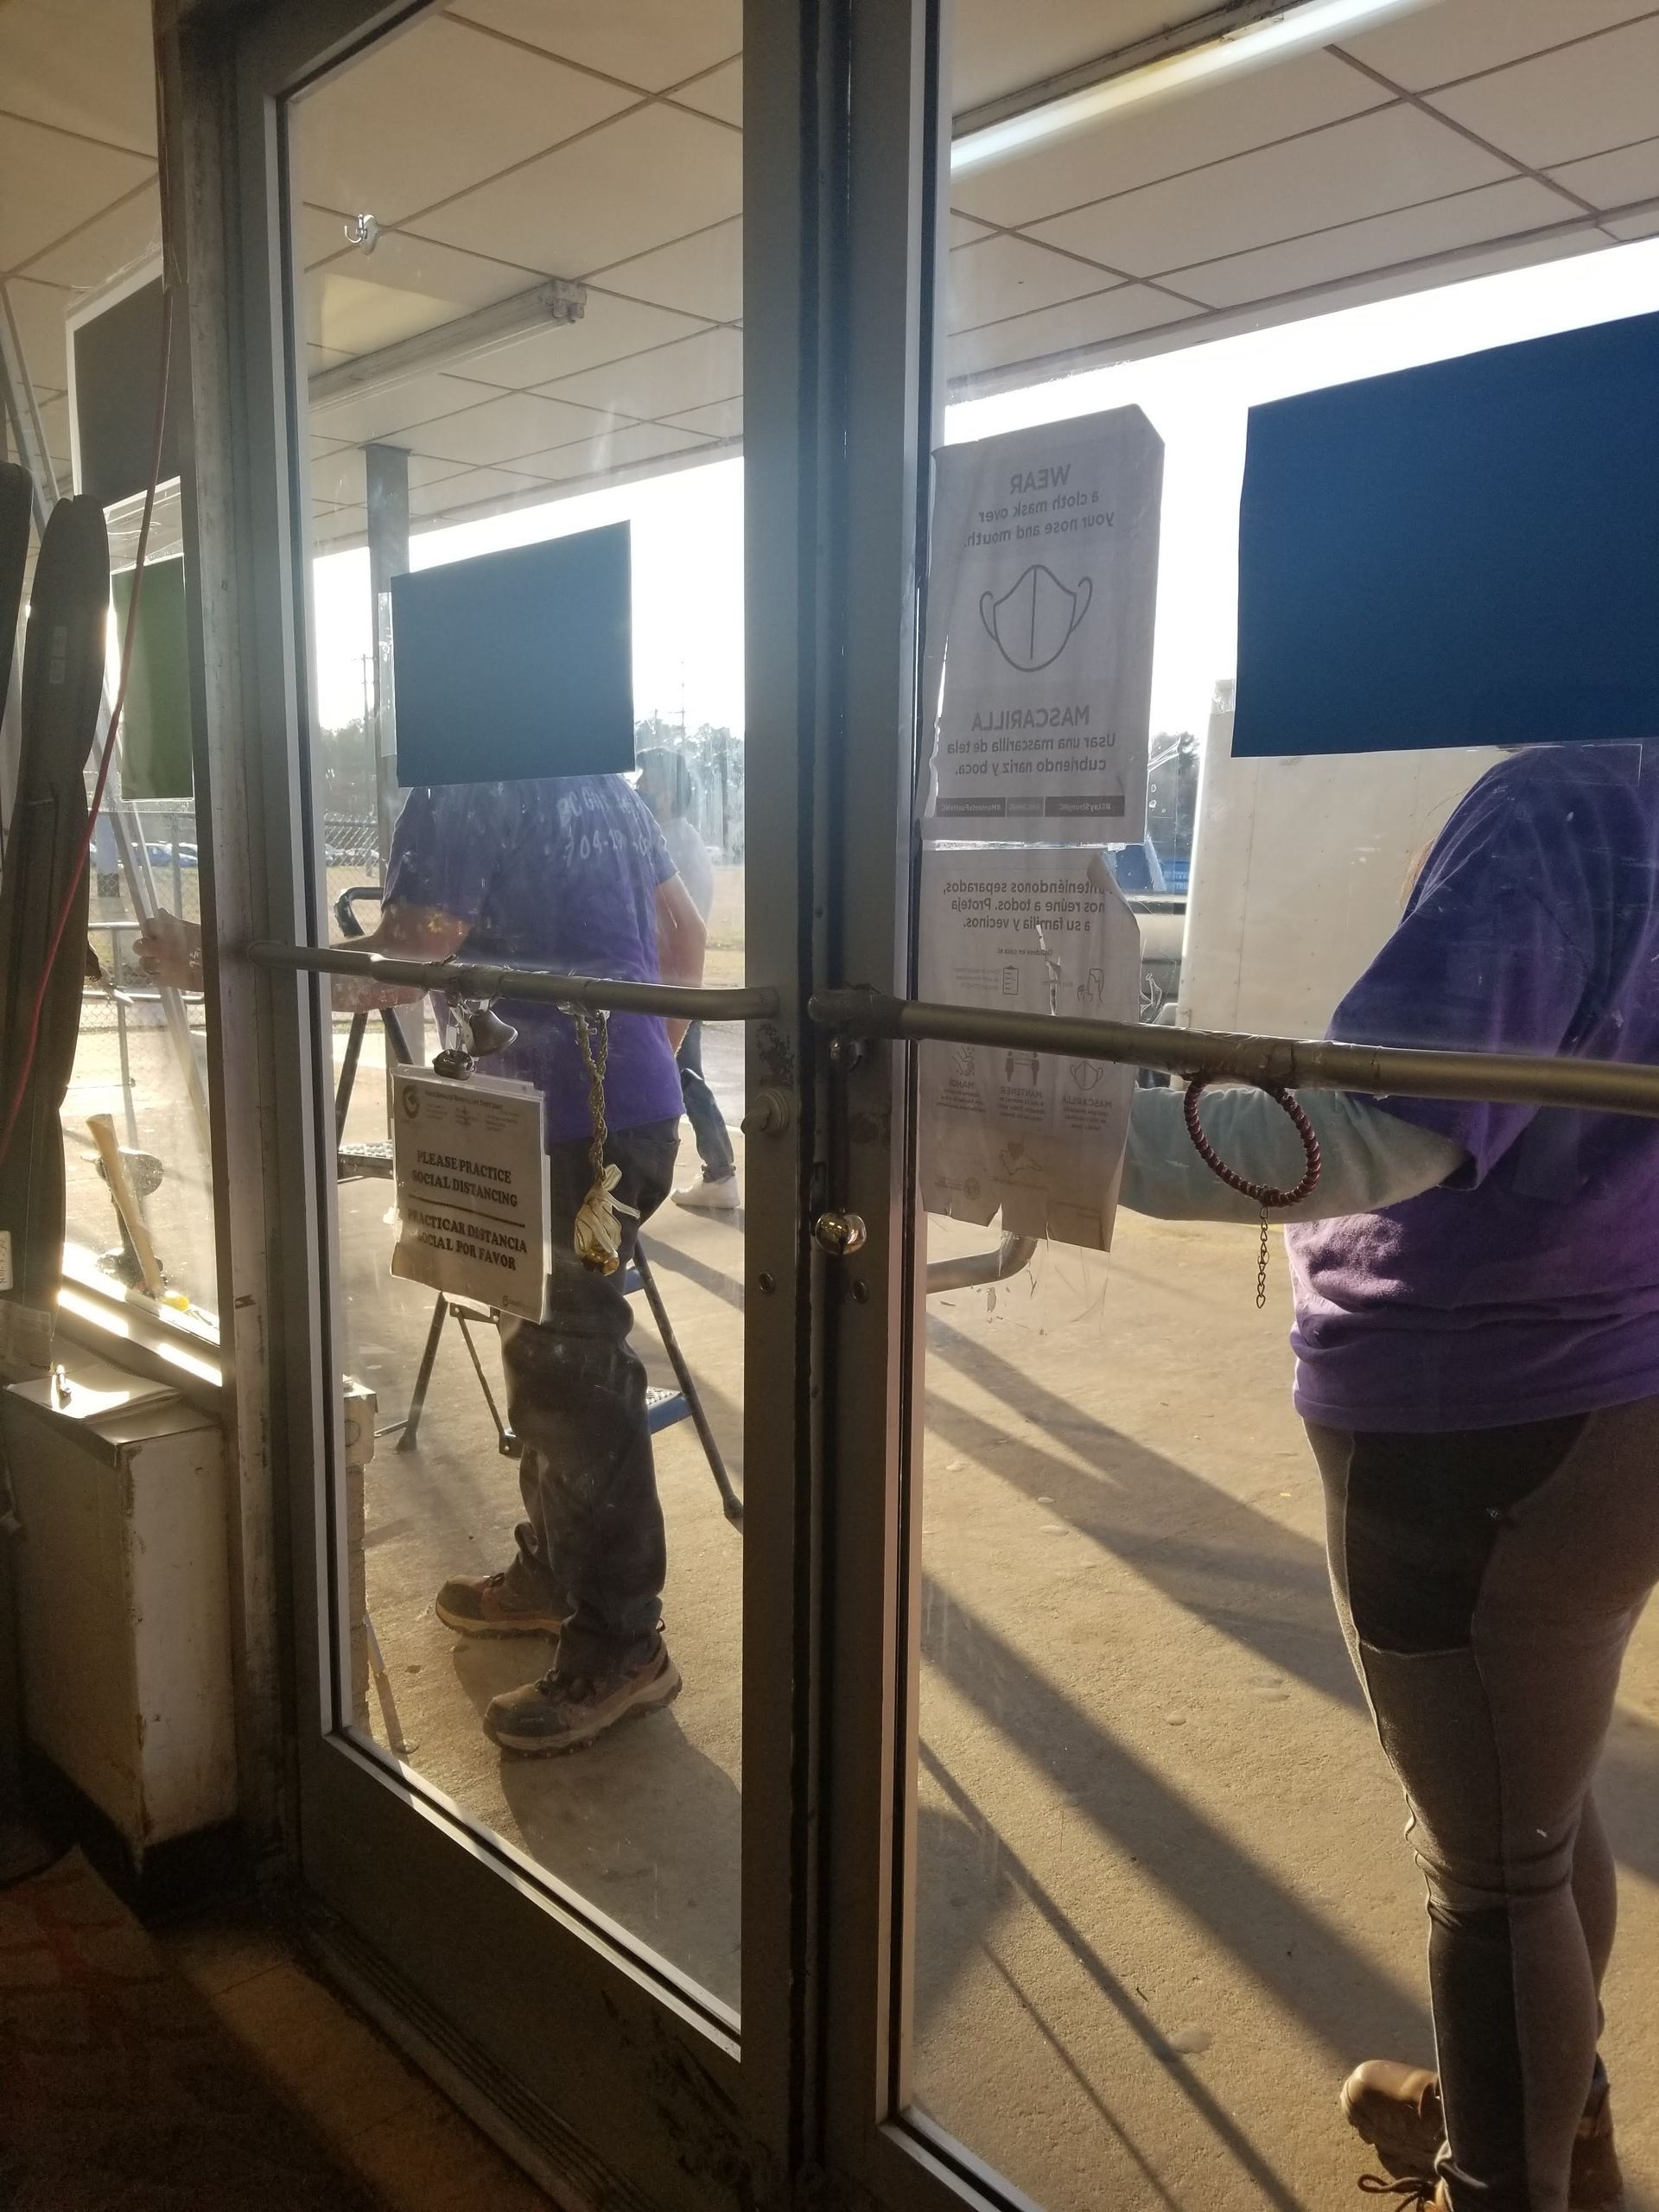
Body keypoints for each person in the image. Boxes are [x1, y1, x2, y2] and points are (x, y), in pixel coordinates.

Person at [1119, 742, 1659, 2212]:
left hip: (1475, 1413)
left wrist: (1047, 1128)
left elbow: (1358, 1130)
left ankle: (1505, 2178)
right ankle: (1559, 2116)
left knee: (1492, 1878)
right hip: (1608, 1381)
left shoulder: (1556, 797)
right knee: (1531, 1820)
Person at [142, 770, 708, 1758]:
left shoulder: (470, 782)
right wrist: (641, 1066)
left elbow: (404, 962)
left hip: (566, 1118)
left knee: (570, 1366)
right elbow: (684, 936)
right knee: (543, 1350)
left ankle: (625, 1641)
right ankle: (553, 1573)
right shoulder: (599, 785)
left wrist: (214, 962)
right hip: (603, 1110)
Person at [635, 747, 739, 1213]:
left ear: (668, 794)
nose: (637, 787)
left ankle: (719, 1171)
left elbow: (674, 925)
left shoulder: (668, 843)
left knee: (683, 1076)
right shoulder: (680, 837)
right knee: (682, 1074)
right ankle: (717, 1170)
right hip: (674, 979)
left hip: (670, 982)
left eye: (647, 780)